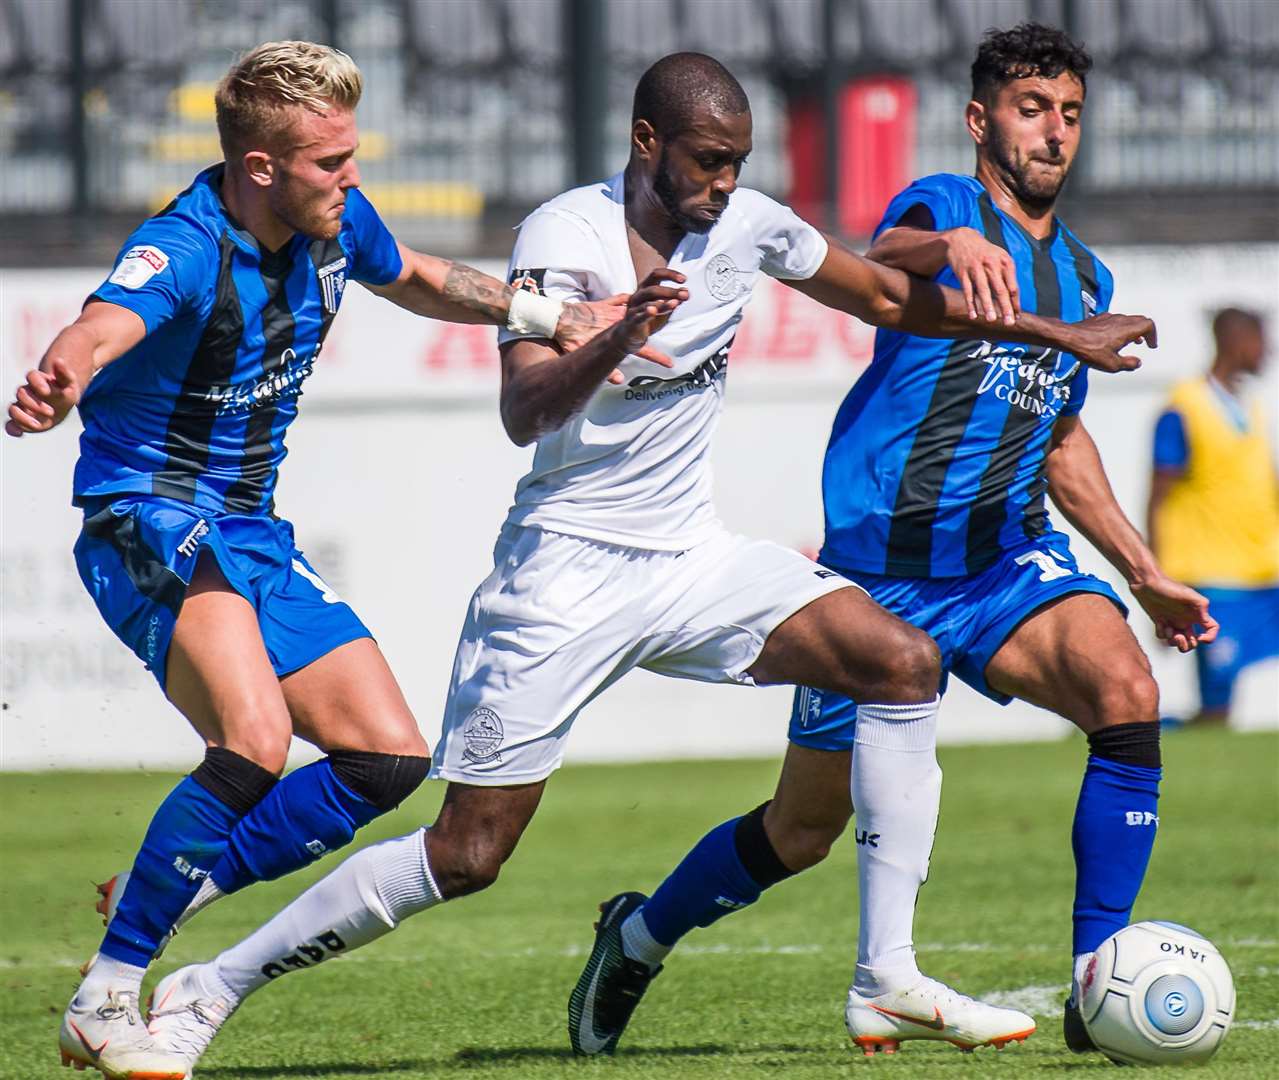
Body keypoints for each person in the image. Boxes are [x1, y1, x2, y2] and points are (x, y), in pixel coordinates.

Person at [134, 51, 1156, 1074]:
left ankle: (883, 974)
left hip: (688, 557)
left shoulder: (748, 223)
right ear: (645, 143)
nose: (722, 185)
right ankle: (211, 986)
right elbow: (522, 411)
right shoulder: (564, 234)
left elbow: (885, 297)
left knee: (897, 662)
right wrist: (615, 330)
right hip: (562, 577)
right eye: (707, 162)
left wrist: (1056, 331)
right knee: (467, 853)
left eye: (736, 163)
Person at [567, 24, 1219, 1060]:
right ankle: (638, 935)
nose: (1053, 133)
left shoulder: (1084, 280)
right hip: (875, 584)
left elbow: (1056, 434)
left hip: (1003, 564)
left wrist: (1143, 574)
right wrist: (949, 249)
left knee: (1125, 694)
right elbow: (884, 257)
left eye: (1069, 114)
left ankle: (1095, 987)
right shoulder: (941, 207)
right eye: (1030, 109)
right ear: (979, 122)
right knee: (799, 833)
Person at [4, 41, 639, 1080]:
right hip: (149, 517)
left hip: (247, 529)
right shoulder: (189, 244)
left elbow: (424, 280)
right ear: (262, 168)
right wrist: (55, 380)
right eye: (330, 162)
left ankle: (179, 885)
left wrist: (553, 316)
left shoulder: (336, 221)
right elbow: (103, 322)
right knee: (254, 740)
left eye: (351, 156)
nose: (352, 179)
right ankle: (107, 994)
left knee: (384, 758)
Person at [1148, 308, 1279, 726]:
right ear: (1238, 341)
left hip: (1260, 571)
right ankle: (1136, 726)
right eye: (1262, 340)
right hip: (1212, 576)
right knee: (1216, 709)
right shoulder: (1184, 408)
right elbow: (1156, 497)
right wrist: (1159, 581)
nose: (1268, 352)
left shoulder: (1249, 406)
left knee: (1221, 708)